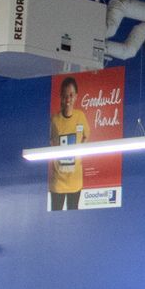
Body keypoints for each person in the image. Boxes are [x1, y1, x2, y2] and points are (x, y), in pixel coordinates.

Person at [47, 75, 90, 211]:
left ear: (76, 96)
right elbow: (49, 142)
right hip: (58, 181)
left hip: (75, 180)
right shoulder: (54, 120)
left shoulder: (80, 116)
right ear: (61, 96)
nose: (68, 99)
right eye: (65, 95)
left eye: (71, 95)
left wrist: (79, 155)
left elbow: (86, 136)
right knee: (56, 217)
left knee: (73, 216)